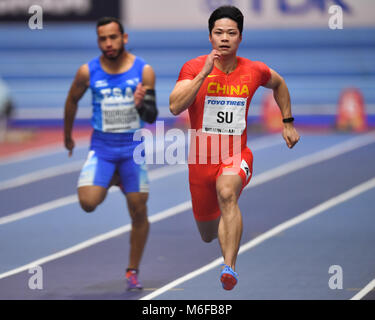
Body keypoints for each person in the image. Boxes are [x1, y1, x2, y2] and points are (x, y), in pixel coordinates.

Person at [169, 6, 300, 290]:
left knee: (227, 193)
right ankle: (223, 228)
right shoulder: (193, 67)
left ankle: (229, 267)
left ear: (240, 37)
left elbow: (279, 84)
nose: (224, 38)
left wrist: (287, 121)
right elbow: (175, 105)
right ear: (210, 37)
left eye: (231, 33)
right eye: (219, 33)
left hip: (235, 154)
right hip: (201, 160)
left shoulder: (254, 70)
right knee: (207, 233)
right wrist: (203, 75)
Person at [64, 17, 158, 290]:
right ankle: (113, 178)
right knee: (88, 203)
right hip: (102, 149)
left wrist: (141, 104)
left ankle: (132, 270)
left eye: (113, 37)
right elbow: (71, 100)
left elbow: (151, 117)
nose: (108, 43)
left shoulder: (144, 70)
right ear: (98, 41)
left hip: (132, 150)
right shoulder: (87, 71)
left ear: (124, 38)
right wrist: (67, 135)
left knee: (139, 210)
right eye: (102, 39)